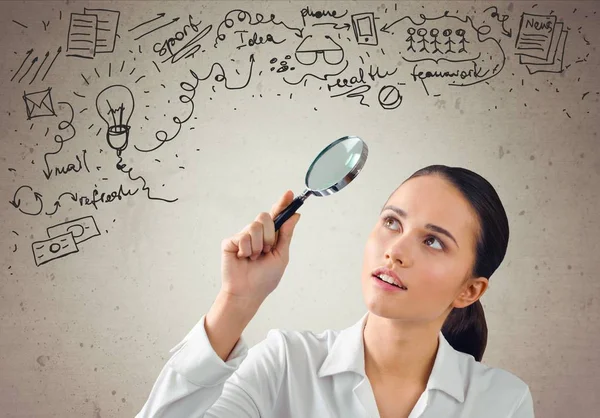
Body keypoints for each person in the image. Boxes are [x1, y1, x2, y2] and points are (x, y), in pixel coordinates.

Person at [136, 165, 534, 418]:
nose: (395, 251)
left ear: (470, 290)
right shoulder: (286, 365)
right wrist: (236, 302)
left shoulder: (503, 401)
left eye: (433, 242)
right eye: (392, 223)